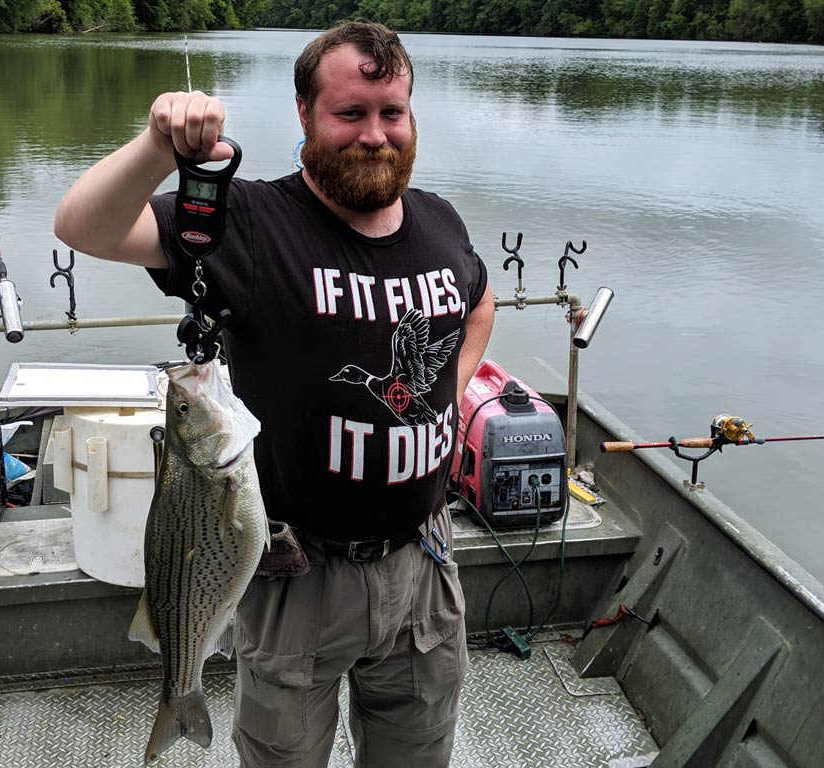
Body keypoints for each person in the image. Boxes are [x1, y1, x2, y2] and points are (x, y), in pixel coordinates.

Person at [54, 21, 494, 768]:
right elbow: (84, 226)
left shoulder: (440, 222)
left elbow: (478, 304)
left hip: (423, 565)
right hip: (298, 579)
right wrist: (159, 148)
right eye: (350, 113)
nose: (375, 135)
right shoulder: (254, 222)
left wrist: (439, 409)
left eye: (392, 112)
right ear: (305, 114)